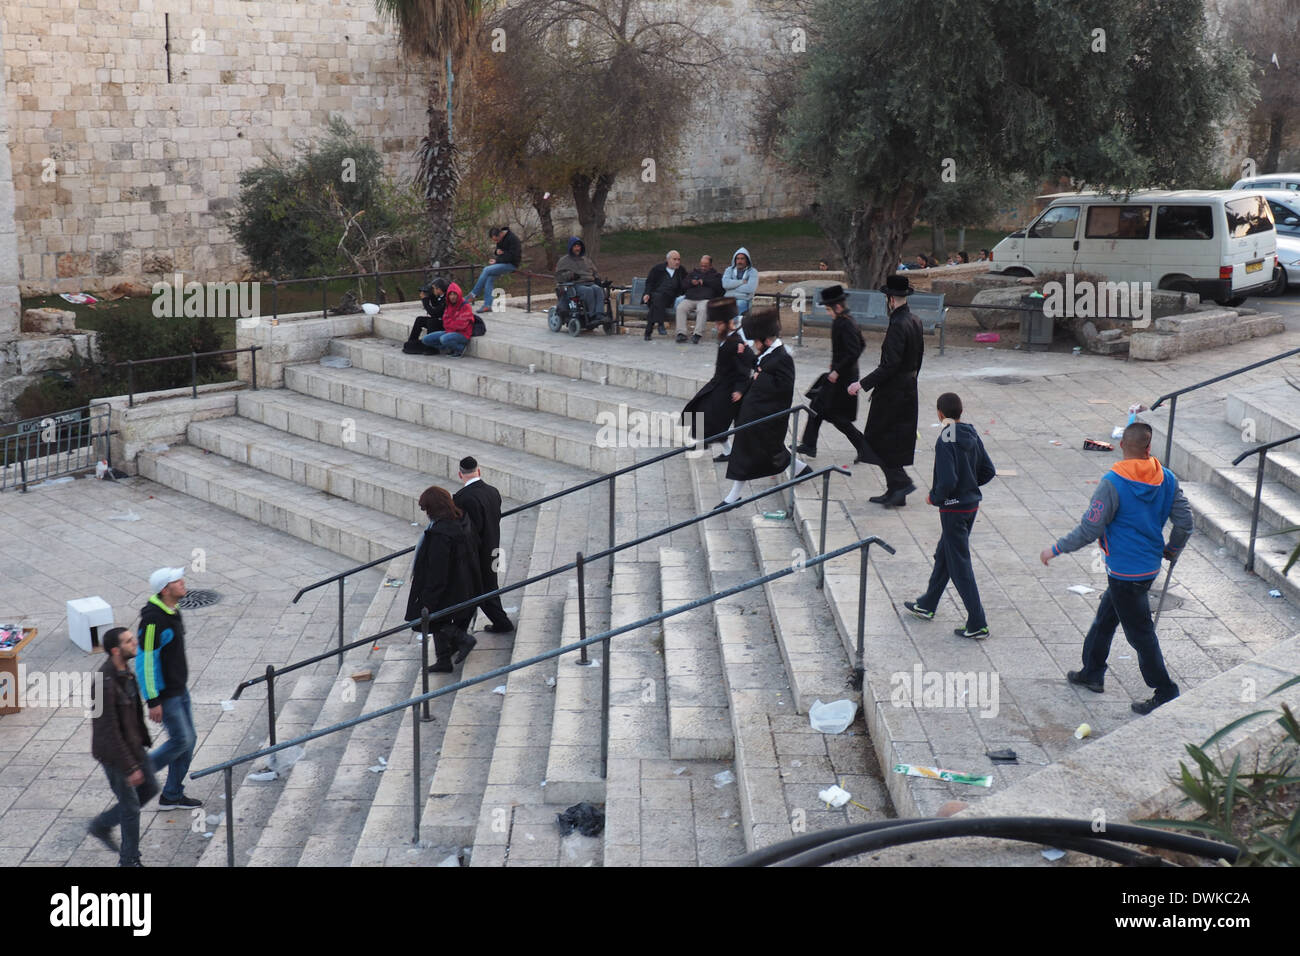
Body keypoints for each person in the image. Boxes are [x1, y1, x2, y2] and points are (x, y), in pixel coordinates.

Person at [1040, 422, 1192, 714]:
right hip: (1148, 567)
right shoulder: (1168, 479)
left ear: (1122, 445)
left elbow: (1090, 527)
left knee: (1140, 634)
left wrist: (1056, 549)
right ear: (1149, 448)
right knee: (1106, 617)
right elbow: (1185, 522)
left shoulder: (1113, 483)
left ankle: (1165, 690)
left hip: (1124, 572)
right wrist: (1172, 548)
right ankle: (1092, 671)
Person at [903, 393, 997, 639]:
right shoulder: (972, 433)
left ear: (940, 414)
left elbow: (947, 480)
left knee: (960, 565)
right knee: (945, 555)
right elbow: (988, 470)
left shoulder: (945, 438)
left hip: (953, 509)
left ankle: (978, 621)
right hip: (970, 506)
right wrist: (969, 488)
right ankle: (927, 604)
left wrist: (934, 497)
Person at [716, 306, 811, 508]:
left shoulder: (782, 357)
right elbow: (760, 364)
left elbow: (784, 388)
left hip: (766, 417)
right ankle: (801, 469)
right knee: (768, 449)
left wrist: (761, 377)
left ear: (765, 339)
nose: (754, 345)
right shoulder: (770, 352)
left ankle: (733, 496)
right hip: (755, 414)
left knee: (745, 452)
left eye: (755, 341)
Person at [847, 274, 924, 507]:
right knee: (890, 441)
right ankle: (895, 489)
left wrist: (861, 384)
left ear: (890, 299)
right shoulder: (914, 320)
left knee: (878, 440)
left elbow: (890, 365)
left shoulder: (899, 325)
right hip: (907, 388)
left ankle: (900, 483)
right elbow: (918, 358)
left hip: (893, 392)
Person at [89, 626, 158, 866]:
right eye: (129, 641)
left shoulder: (125, 671)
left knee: (149, 788)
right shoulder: (102, 684)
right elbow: (107, 731)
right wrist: (130, 767)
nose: (135, 642)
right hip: (115, 755)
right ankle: (129, 860)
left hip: (134, 746)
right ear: (116, 650)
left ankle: (102, 824)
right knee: (130, 807)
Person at [138, 567, 201, 810]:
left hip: (179, 689)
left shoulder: (172, 610)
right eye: (177, 581)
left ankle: (172, 793)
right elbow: (145, 662)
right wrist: (153, 700)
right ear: (165, 589)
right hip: (167, 695)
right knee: (181, 740)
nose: (183, 583)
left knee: (188, 739)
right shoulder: (154, 620)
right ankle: (139, 774)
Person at [407, 486, 483, 673]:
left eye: (426, 509)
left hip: (451, 588)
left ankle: (462, 641)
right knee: (437, 619)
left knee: (433, 619)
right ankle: (444, 659)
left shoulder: (441, 534)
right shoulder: (461, 520)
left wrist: (428, 599)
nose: (426, 513)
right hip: (466, 583)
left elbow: (437, 571)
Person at [797, 285, 868, 460]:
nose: (828, 313)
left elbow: (854, 350)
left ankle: (864, 447)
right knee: (818, 407)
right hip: (840, 375)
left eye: (829, 309)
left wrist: (837, 370)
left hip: (843, 378)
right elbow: (861, 345)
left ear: (838, 307)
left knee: (834, 416)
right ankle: (809, 445)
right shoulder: (844, 321)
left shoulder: (845, 323)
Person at [681, 297, 755, 461]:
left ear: (728, 323)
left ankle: (704, 443)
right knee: (702, 407)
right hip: (718, 383)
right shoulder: (725, 338)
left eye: (719, 324)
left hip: (728, 388)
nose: (716, 326)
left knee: (713, 416)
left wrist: (739, 389)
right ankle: (714, 446)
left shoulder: (736, 342)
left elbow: (744, 369)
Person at [453, 456, 514, 634]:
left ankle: (462, 634)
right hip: (495, 547)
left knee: (477, 590)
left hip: (477, 553)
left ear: (460, 474)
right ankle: (499, 622)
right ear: (478, 471)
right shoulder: (493, 491)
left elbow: (466, 530)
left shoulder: (461, 498)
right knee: (488, 586)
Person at [466, 225, 521, 315]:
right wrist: (497, 252)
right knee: (489, 277)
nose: (496, 242)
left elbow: (513, 256)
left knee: (486, 270)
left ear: (500, 235)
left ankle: (474, 294)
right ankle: (487, 305)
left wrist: (498, 259)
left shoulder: (513, 239)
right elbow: (498, 250)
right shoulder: (500, 239)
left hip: (511, 264)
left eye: (496, 240)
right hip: (501, 263)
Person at [675, 254, 724, 343]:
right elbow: (683, 285)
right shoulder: (693, 273)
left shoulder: (716, 275)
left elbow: (719, 287)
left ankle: (697, 334)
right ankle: (681, 333)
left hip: (705, 299)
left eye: (705, 266)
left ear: (710, 265)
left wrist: (705, 282)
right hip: (690, 298)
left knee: (702, 309)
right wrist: (691, 282)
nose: (703, 268)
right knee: (680, 307)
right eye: (701, 265)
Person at [554, 237, 605, 323]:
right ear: (571, 247)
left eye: (579, 246)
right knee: (588, 291)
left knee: (598, 289)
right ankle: (592, 315)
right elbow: (559, 276)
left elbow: (594, 271)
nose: (578, 248)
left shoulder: (586, 260)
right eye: (575, 246)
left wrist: (597, 278)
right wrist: (570, 275)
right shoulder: (564, 261)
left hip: (589, 282)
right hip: (575, 285)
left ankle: (599, 314)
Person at [642, 250, 687, 339]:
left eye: (679, 259)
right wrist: (647, 293)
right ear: (668, 260)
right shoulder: (657, 269)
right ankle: (660, 325)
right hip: (654, 297)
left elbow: (686, 283)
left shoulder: (681, 270)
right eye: (675, 259)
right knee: (658, 298)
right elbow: (649, 283)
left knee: (657, 302)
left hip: (671, 299)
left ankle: (649, 330)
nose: (677, 262)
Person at [421, 281, 474, 356]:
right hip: (449, 331)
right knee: (425, 340)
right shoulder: (448, 305)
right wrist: (452, 323)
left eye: (454, 294)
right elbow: (445, 321)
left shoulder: (465, 306)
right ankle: (450, 348)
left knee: (444, 339)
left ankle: (460, 348)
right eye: (450, 294)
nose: (452, 297)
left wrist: (451, 323)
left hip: (463, 334)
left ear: (458, 294)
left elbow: (461, 325)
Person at [405, 278, 448, 353]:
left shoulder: (447, 298)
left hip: (446, 323)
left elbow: (434, 313)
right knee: (420, 319)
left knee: (432, 322)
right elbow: (436, 305)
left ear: (439, 289)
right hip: (440, 320)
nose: (433, 290)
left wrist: (425, 300)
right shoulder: (440, 296)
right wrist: (430, 297)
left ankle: (431, 348)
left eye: (434, 288)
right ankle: (411, 342)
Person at [721, 247, 758, 318]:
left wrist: (731, 288)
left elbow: (750, 288)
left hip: (743, 300)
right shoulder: (729, 270)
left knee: (735, 307)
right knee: (720, 307)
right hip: (729, 299)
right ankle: (722, 328)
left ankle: (730, 328)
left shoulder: (753, 272)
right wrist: (741, 282)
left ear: (747, 260)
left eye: (742, 258)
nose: (739, 261)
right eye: (737, 258)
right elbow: (725, 284)